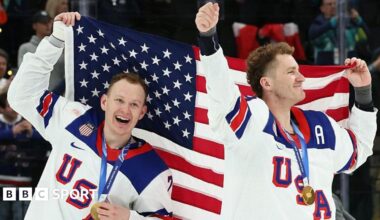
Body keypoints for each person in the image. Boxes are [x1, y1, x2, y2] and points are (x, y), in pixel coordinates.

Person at [195, 2, 376, 219]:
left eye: (298, 70)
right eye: (291, 72)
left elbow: (360, 150)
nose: (301, 78)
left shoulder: (321, 126)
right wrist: (208, 38)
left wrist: (363, 91)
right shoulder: (251, 121)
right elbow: (221, 90)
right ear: (267, 83)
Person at [8, 12, 173, 219]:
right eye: (119, 100)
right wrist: (55, 41)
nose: (124, 110)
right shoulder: (73, 119)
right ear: (104, 102)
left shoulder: (151, 169)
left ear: (142, 112)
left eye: (134, 104)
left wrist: (129, 217)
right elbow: (21, 95)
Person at [17, 10, 65, 95]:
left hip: (59, 96)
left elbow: (67, 74)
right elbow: (24, 74)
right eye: (43, 22)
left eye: (49, 22)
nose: (47, 25)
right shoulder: (25, 48)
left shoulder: (60, 47)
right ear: (34, 26)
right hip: (35, 97)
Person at [309, 0, 369, 65]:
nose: (333, 6)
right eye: (329, 4)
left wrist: (359, 20)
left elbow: (366, 37)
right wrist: (329, 25)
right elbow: (312, 36)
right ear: (322, 8)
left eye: (335, 4)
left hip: (349, 62)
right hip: (326, 64)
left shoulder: (350, 21)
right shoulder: (318, 22)